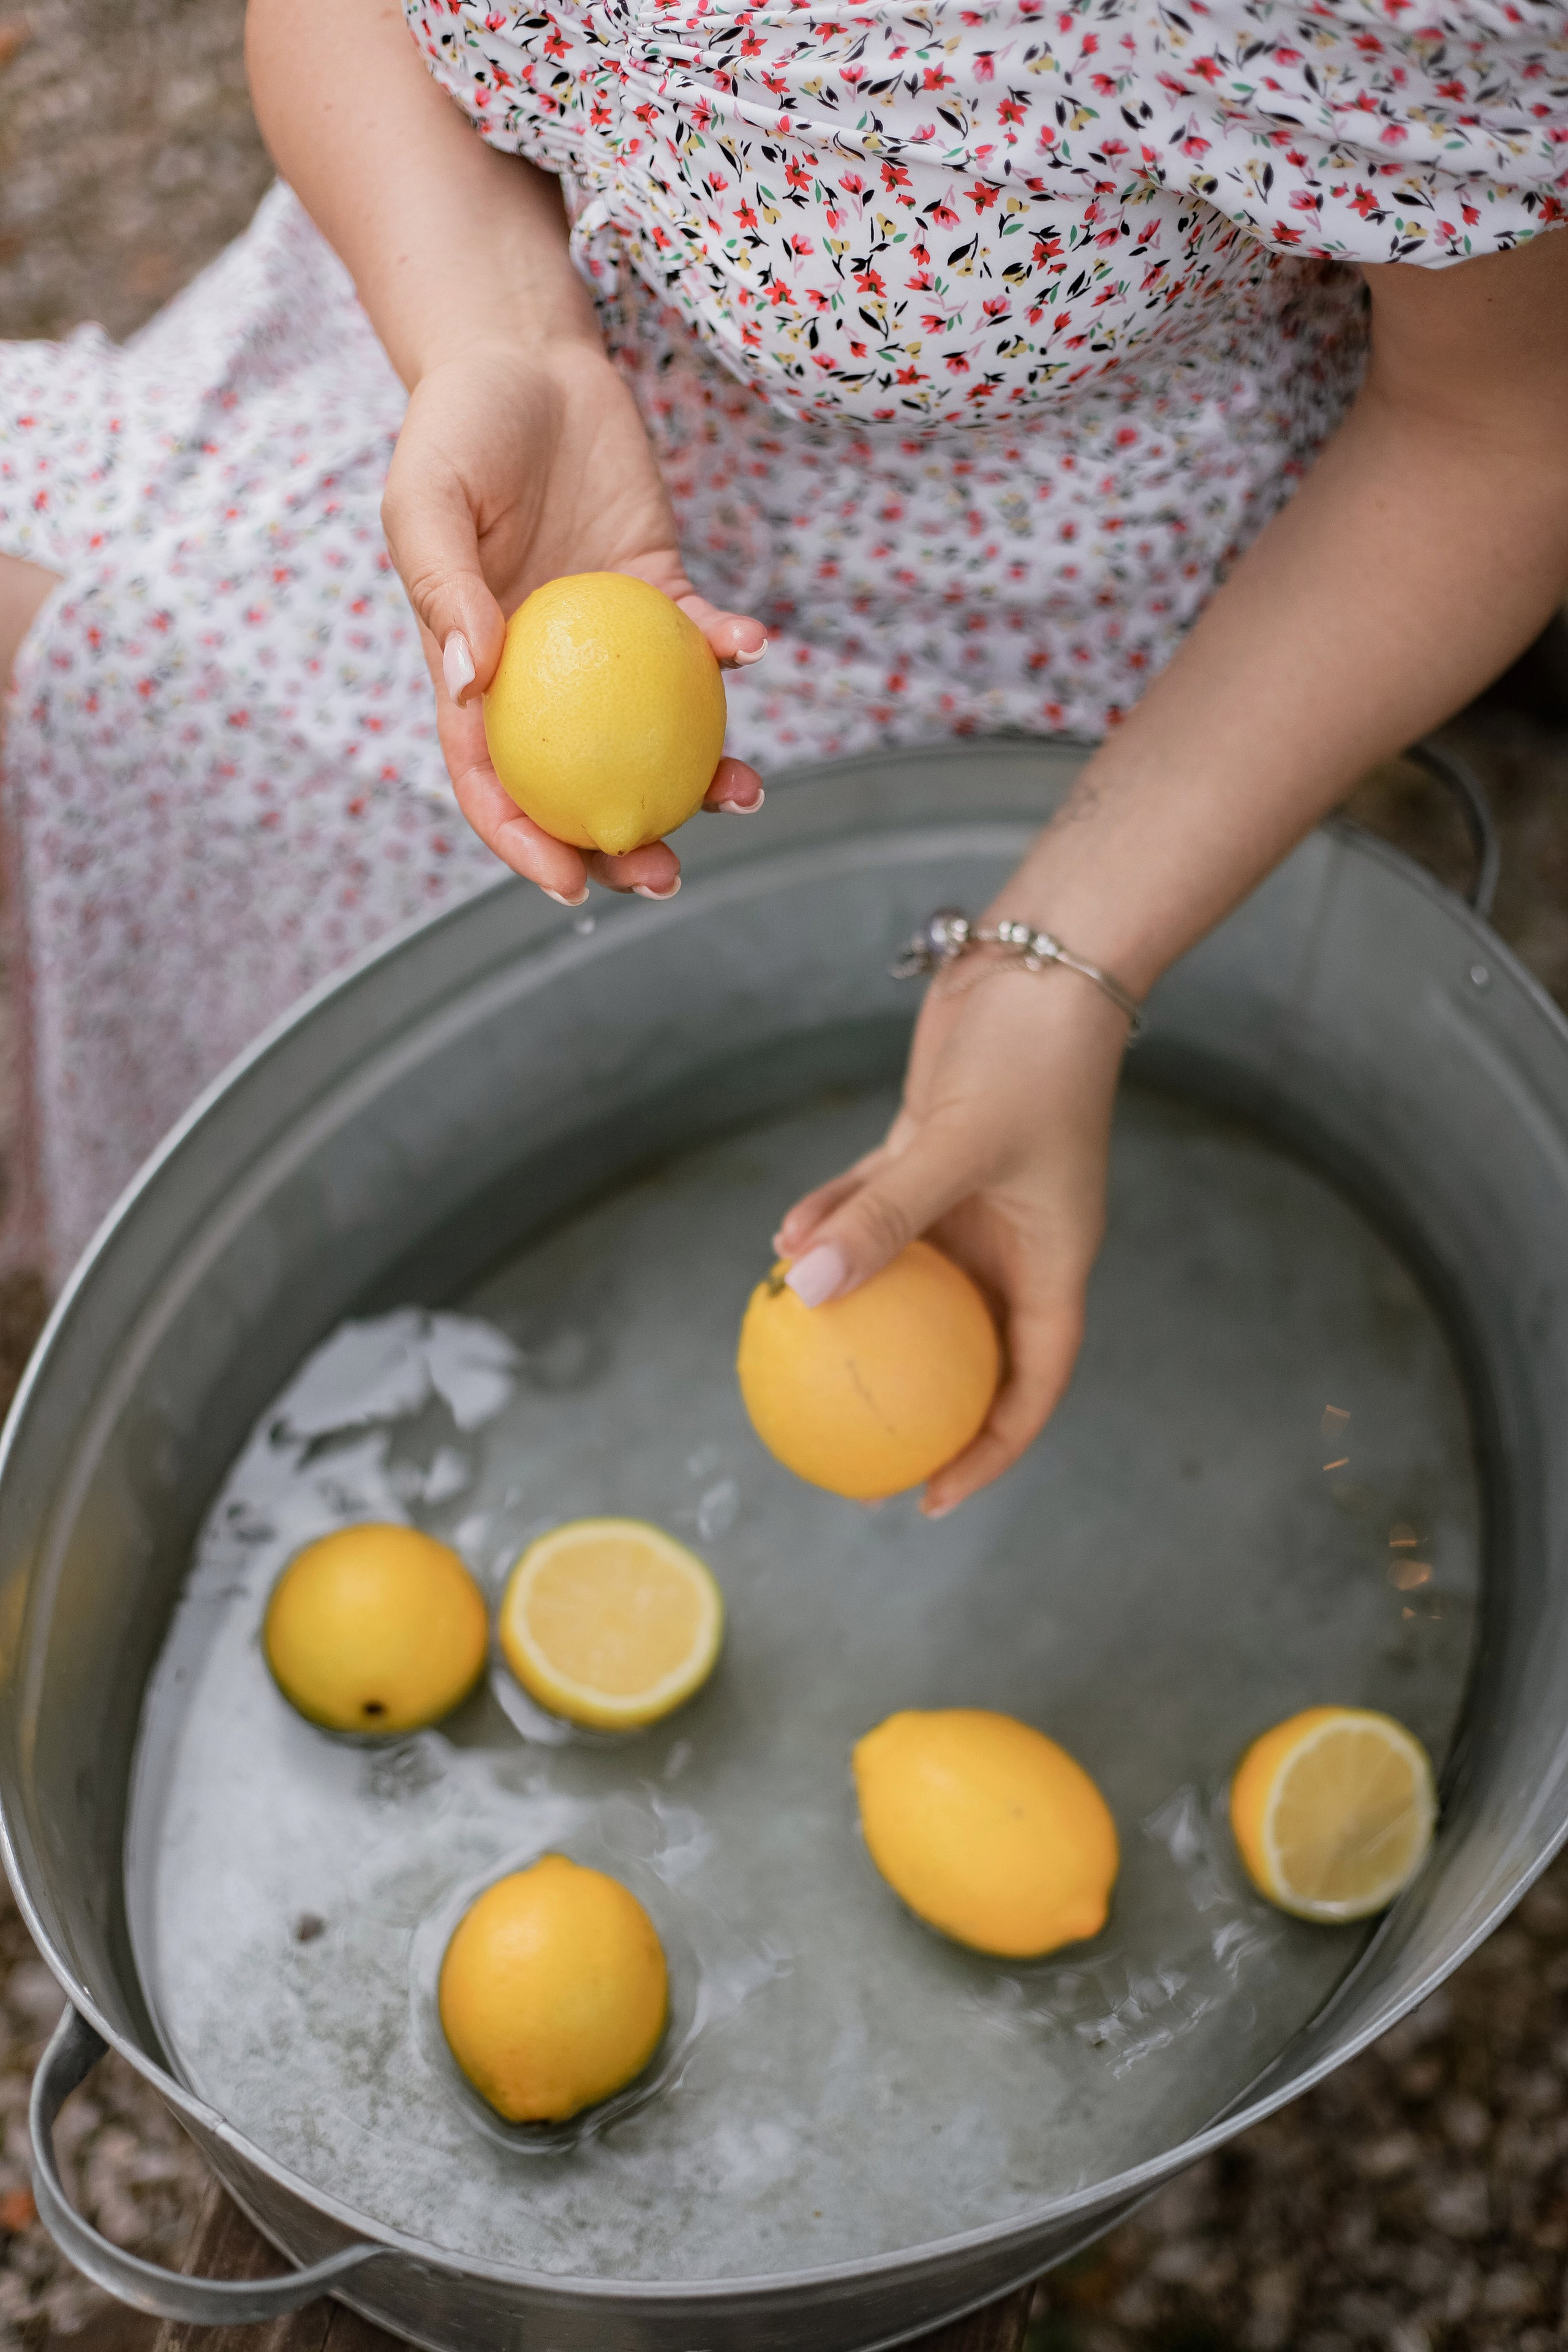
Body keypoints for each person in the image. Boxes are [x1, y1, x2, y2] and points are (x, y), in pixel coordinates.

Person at [1, 0, 1565, 1513]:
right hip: (453, 342)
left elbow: (1499, 433)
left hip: (970, 630)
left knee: (136, 729)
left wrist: (1050, 956)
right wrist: (507, 347)